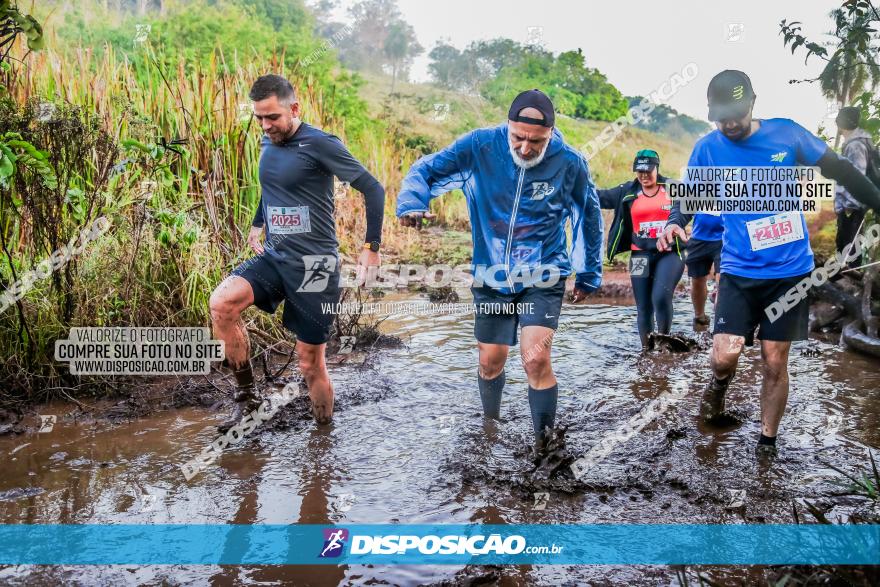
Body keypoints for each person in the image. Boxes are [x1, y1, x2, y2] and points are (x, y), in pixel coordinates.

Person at [659, 70, 880, 459]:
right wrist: (675, 221)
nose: (728, 124)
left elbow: (841, 169)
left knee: (774, 359)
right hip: (739, 272)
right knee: (725, 354)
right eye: (720, 116)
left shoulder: (787, 134)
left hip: (790, 272)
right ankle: (719, 384)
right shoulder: (709, 148)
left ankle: (766, 444)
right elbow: (689, 196)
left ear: (752, 104)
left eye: (735, 115)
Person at [396, 89, 603, 449]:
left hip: (544, 273)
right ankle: (490, 427)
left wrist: (588, 273)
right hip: (490, 275)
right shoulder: (479, 146)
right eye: (518, 138)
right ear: (507, 127)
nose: (525, 149)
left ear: (550, 134)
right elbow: (426, 169)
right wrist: (413, 201)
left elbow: (589, 216)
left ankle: (544, 447)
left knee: (535, 359)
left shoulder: (570, 163)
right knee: (490, 361)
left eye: (535, 142)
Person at [208, 74, 385, 433]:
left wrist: (371, 248)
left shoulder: (322, 144)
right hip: (276, 256)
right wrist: (258, 222)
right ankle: (247, 400)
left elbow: (373, 188)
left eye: (272, 117)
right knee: (222, 303)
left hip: (316, 265)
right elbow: (272, 186)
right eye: (259, 117)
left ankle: (324, 436)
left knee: (310, 363)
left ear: (294, 108)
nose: (265, 125)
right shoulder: (266, 140)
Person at [598, 149, 685, 348]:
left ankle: (664, 344)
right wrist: (575, 185)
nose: (644, 175)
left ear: (657, 167)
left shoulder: (673, 187)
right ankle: (647, 350)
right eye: (640, 171)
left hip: (669, 254)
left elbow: (693, 203)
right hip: (639, 255)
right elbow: (600, 197)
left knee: (660, 297)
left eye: (648, 170)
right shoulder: (627, 190)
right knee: (644, 306)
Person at [834, 106, 872, 270]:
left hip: (852, 207)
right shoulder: (856, 143)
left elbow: (857, 177)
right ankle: (847, 281)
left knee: (849, 247)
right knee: (847, 246)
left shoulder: (855, 146)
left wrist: (849, 205)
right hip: (853, 206)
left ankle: (850, 284)